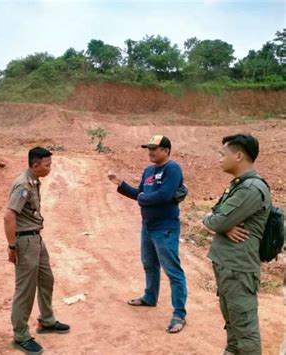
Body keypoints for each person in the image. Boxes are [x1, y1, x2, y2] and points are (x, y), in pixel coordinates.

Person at [108, 135, 188, 333]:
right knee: (149, 264)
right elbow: (140, 194)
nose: (151, 152)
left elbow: (164, 196)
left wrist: (143, 197)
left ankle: (179, 314)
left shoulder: (172, 169)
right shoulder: (149, 171)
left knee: (173, 271)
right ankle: (150, 297)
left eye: (155, 148)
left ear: (166, 150)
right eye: (149, 148)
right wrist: (121, 184)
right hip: (148, 225)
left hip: (165, 227)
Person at [203, 134, 271, 355]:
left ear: (239, 155)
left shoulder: (251, 188)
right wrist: (223, 224)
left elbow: (216, 220)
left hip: (239, 269)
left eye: (223, 154)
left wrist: (221, 223)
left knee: (245, 329)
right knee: (232, 323)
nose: (219, 159)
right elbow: (216, 216)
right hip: (229, 266)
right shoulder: (238, 185)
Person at [4, 147, 70, 354]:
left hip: (36, 238)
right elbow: (9, 216)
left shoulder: (33, 181)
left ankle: (47, 321)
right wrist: (12, 246)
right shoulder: (23, 184)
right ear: (35, 165)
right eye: (47, 165)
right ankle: (21, 335)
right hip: (25, 242)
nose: (50, 168)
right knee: (25, 289)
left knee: (46, 279)